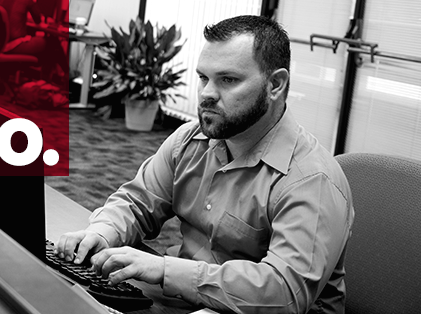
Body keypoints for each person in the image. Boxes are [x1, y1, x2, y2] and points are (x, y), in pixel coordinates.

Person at [55, 15, 354, 314]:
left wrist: (163, 269)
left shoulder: (311, 178)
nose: (207, 94)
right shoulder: (190, 139)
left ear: (275, 84)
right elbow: (136, 201)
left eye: (228, 80)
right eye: (203, 78)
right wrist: (103, 231)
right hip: (183, 301)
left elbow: (282, 293)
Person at [0, 0, 68, 84]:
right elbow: (38, 20)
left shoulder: (4, 1)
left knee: (49, 45)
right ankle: (64, 75)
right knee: (53, 42)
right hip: (15, 44)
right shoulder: (28, 1)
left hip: (2, 44)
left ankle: (48, 82)